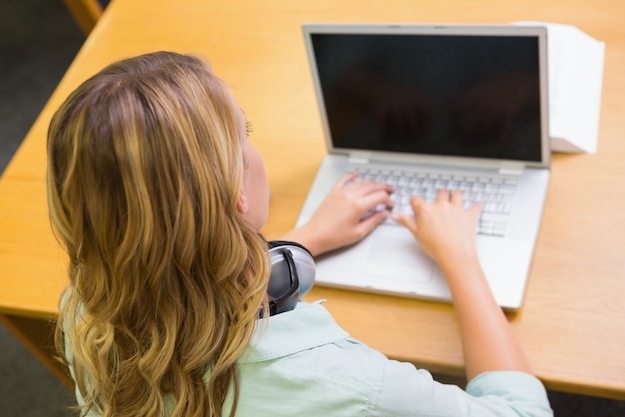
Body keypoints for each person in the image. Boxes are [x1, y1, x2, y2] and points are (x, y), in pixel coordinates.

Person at [47, 51, 553, 417]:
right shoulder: (348, 383)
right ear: (237, 194)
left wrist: (308, 236)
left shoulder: (83, 311)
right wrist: (461, 258)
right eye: (242, 135)